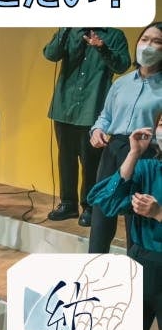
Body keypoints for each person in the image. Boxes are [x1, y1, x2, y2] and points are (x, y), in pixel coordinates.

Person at [87, 113, 162, 330]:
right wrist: (133, 153)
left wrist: (159, 214)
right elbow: (103, 199)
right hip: (140, 264)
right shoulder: (147, 168)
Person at [43, 27, 130, 226]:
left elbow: (122, 65)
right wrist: (65, 29)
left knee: (91, 162)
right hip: (64, 106)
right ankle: (68, 204)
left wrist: (102, 48)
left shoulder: (114, 35)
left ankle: (90, 206)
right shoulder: (70, 30)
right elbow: (50, 54)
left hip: (92, 106)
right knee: (66, 159)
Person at [88, 22, 162, 253]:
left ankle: (137, 266)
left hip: (145, 154)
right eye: (144, 39)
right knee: (102, 213)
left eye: (156, 42)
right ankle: (94, 264)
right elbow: (106, 116)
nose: (148, 46)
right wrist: (97, 130)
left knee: (137, 217)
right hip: (114, 149)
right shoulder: (121, 83)